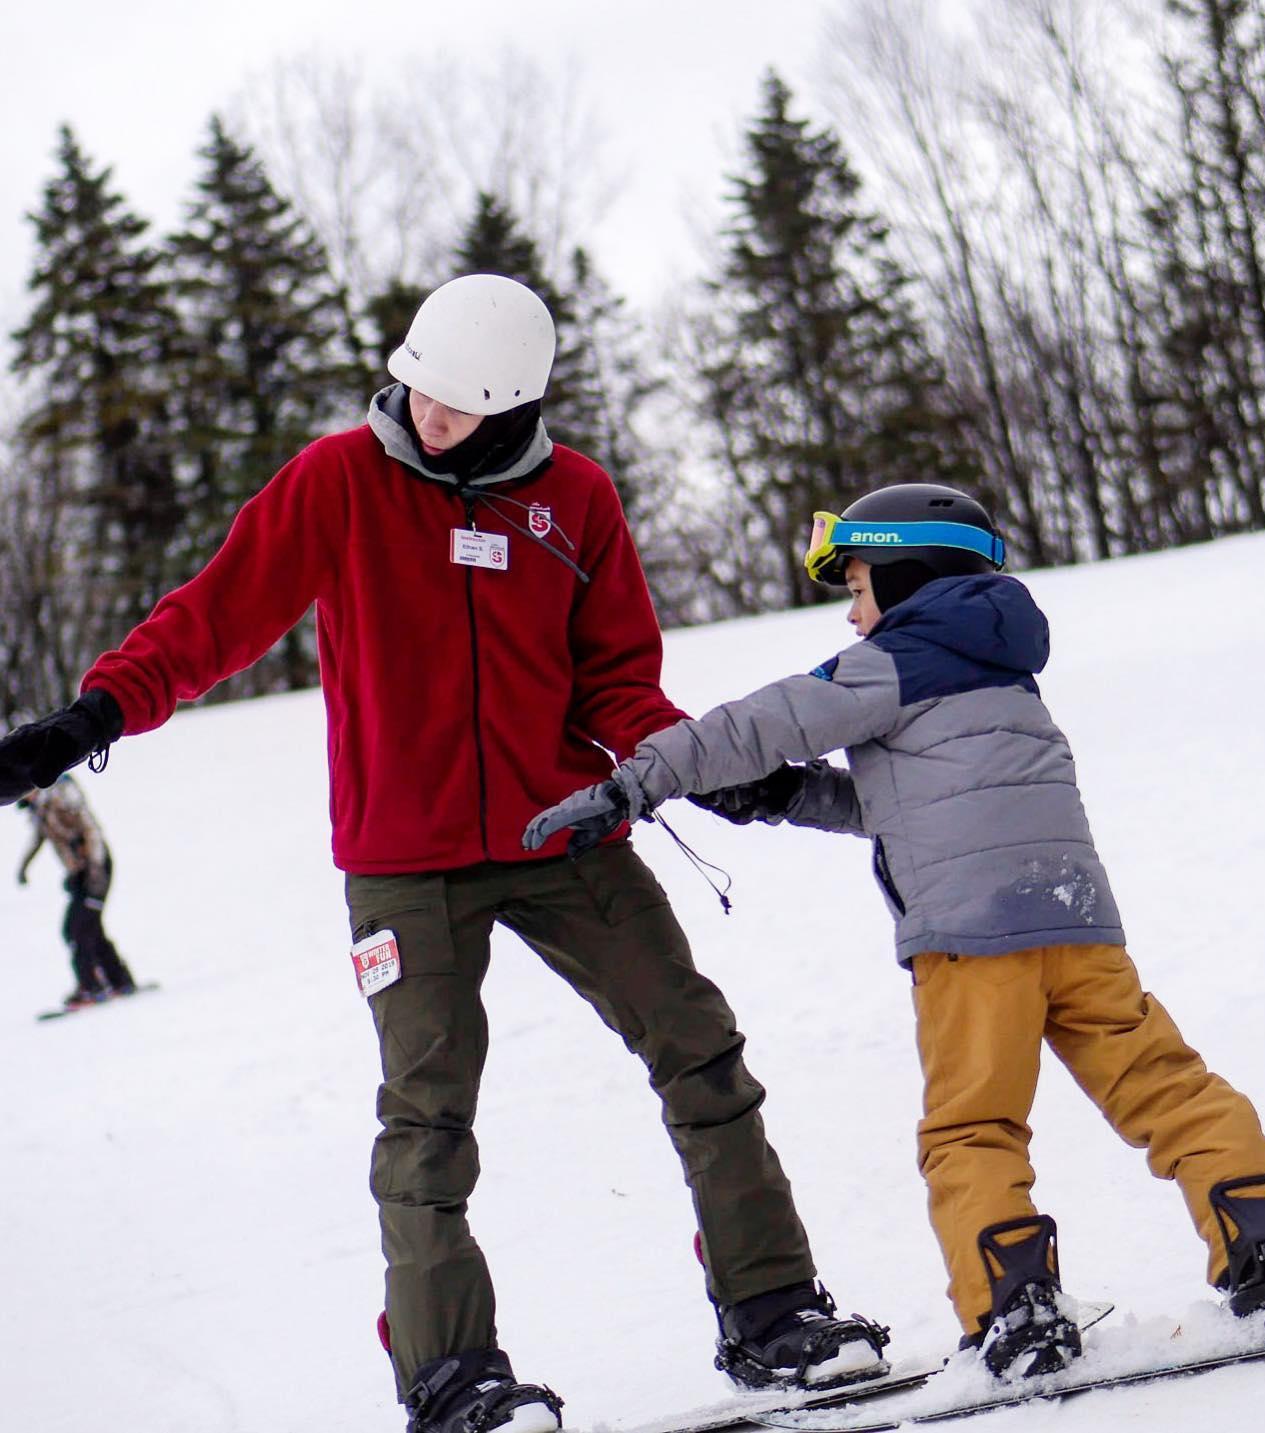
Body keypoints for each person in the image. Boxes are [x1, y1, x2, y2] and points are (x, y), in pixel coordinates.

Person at [0, 275, 889, 1433]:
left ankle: (773, 1312)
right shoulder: (338, 482)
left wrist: (696, 767)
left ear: (515, 404)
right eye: (418, 391)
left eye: (459, 410)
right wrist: (90, 718)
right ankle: (451, 1374)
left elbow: (617, 679)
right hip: (403, 861)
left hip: (567, 828)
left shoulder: (575, 499)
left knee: (698, 1046)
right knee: (428, 1118)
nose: (428, 419)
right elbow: (213, 616)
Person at [524, 481, 1265, 1382]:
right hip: (1076, 923)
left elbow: (759, 722)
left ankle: (1013, 1310)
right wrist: (787, 796)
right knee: (1167, 1089)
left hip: (970, 942)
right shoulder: (1004, 666)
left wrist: (638, 781)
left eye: (860, 585)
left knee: (973, 1126)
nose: (853, 612)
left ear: (910, 574)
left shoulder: (888, 663)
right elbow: (915, 800)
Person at [16, 772, 139, 1008]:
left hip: (96, 868)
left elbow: (91, 831)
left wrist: (94, 870)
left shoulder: (60, 797)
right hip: (80, 873)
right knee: (89, 927)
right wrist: (24, 867)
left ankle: (91, 986)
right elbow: (39, 837)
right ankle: (119, 980)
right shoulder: (41, 808)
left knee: (76, 928)